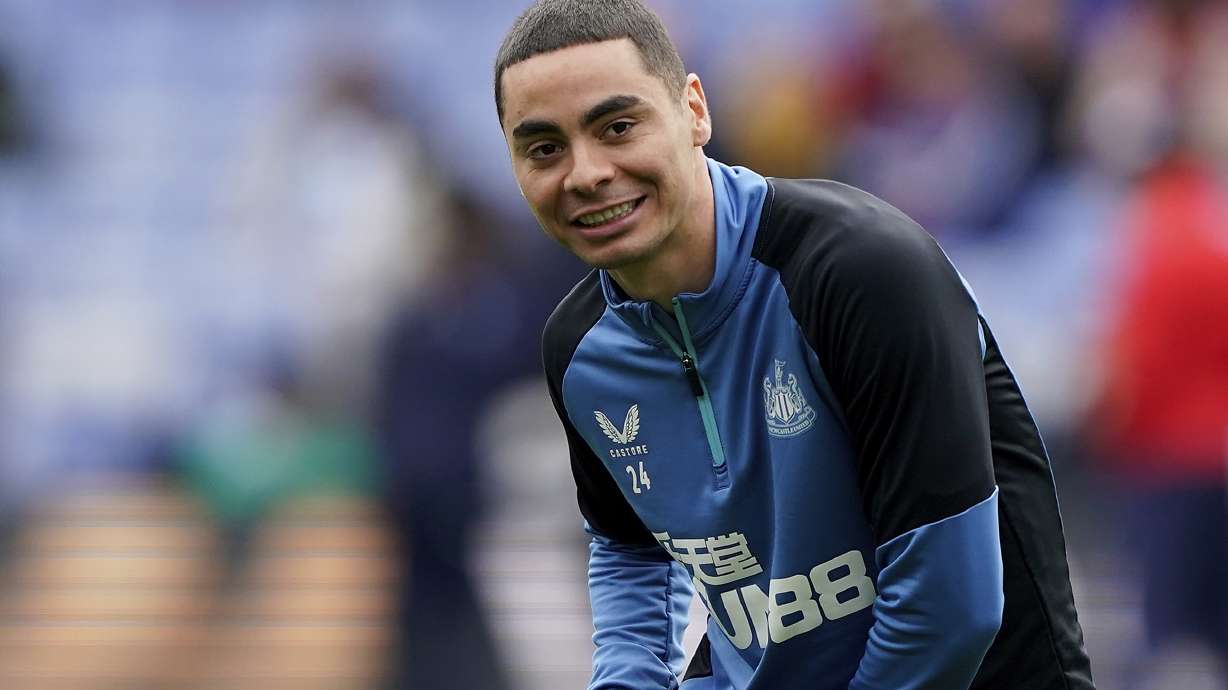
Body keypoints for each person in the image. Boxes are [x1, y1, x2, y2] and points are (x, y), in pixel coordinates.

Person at [493, 1, 1094, 688]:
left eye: (618, 126)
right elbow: (631, 552)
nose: (586, 172)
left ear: (694, 111)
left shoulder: (862, 271)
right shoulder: (579, 350)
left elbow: (948, 611)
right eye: (544, 148)